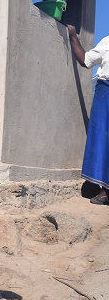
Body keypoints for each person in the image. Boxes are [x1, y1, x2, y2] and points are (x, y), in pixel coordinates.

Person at [67, 25, 109, 205]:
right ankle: (103, 188)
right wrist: (73, 36)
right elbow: (86, 60)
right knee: (101, 138)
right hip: (105, 93)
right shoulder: (107, 41)